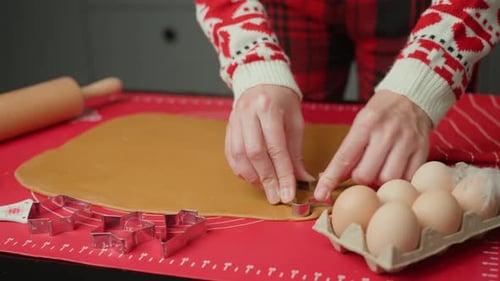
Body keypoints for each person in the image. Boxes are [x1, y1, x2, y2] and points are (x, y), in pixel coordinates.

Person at [194, 0, 500, 204]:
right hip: (291, 6)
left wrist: (424, 78)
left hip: (419, 7)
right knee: (280, 136)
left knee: (397, 158)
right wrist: (252, 59)